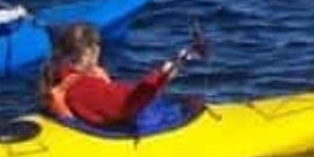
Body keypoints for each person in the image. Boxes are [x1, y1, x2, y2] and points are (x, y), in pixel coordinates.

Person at [38, 22, 198, 130]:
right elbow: (127, 104)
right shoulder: (85, 88)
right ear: (92, 52)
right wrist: (161, 77)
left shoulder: (55, 76)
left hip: (86, 125)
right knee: (191, 105)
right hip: (106, 131)